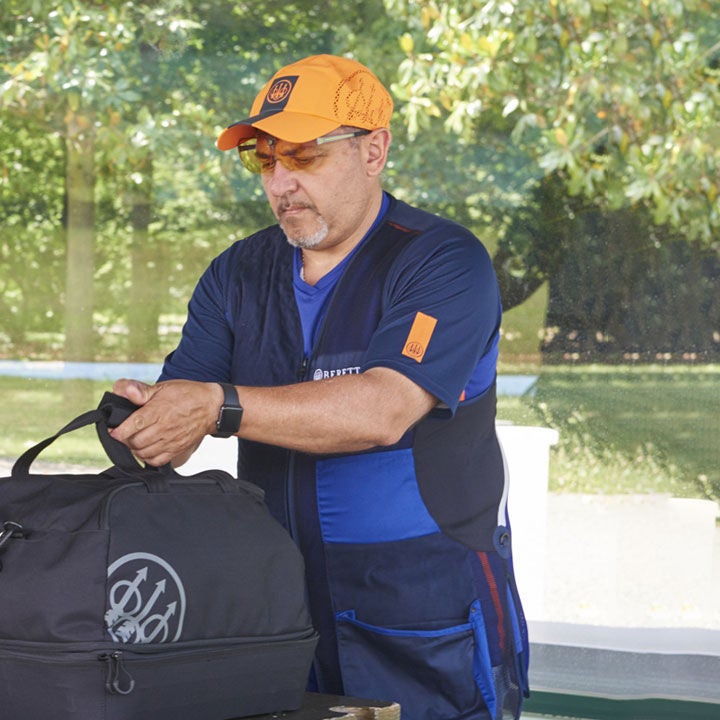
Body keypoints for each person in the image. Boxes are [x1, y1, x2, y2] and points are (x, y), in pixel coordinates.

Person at [109, 54, 527, 719]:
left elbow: (383, 409)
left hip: (425, 606)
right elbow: (181, 418)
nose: (282, 182)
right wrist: (147, 421)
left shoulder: (443, 261)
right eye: (265, 160)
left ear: (374, 151)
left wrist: (219, 407)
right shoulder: (237, 274)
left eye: (304, 154)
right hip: (278, 603)